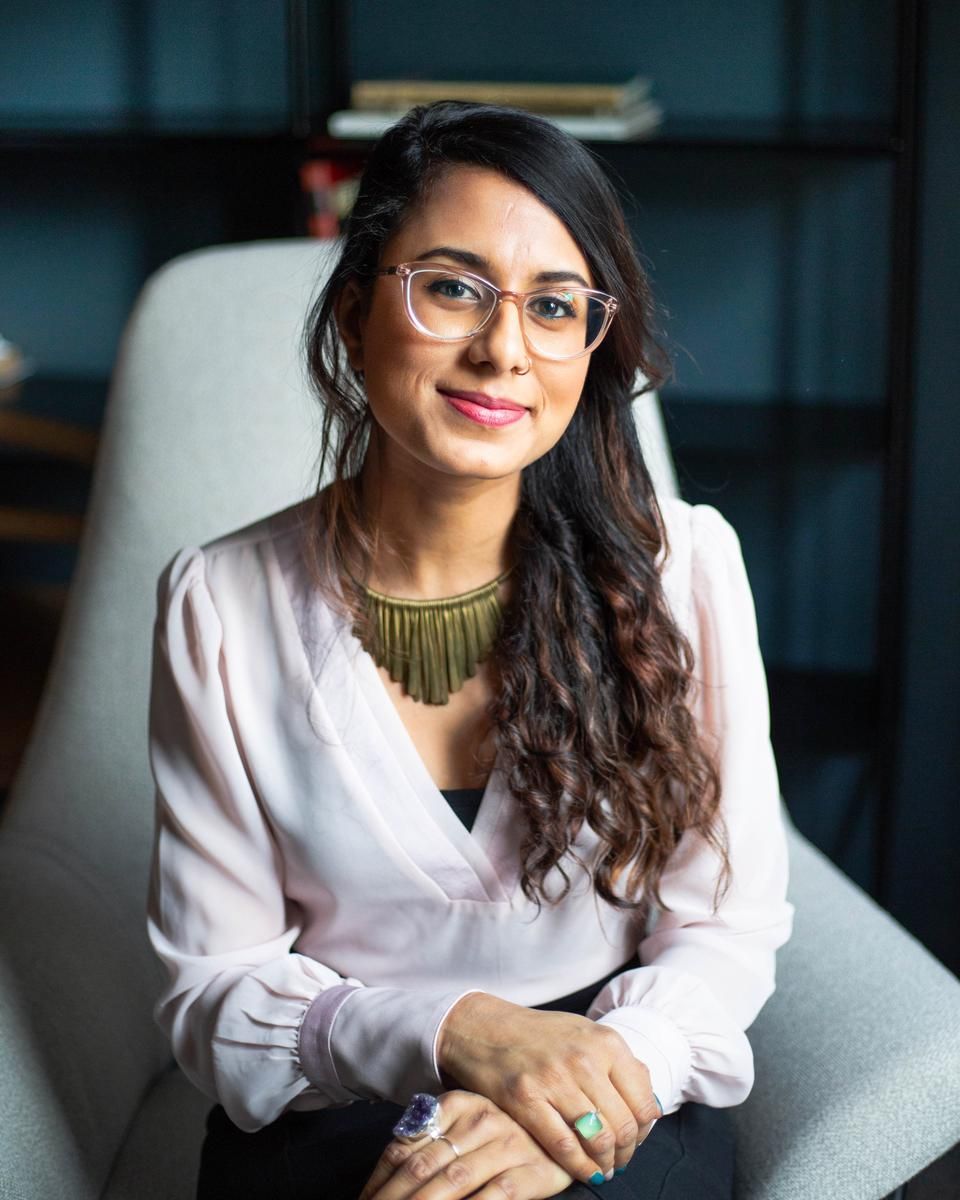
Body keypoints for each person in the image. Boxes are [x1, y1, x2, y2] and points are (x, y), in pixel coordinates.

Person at [145, 99, 794, 1200]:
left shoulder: (682, 569)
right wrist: (460, 1032)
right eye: (452, 286)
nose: (502, 349)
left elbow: (723, 927)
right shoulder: (221, 601)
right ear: (355, 312)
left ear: (593, 346)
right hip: (337, 1090)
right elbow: (211, 991)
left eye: (554, 306)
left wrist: (575, 1098)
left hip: (621, 1076)